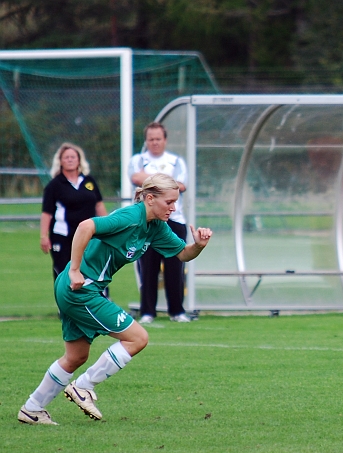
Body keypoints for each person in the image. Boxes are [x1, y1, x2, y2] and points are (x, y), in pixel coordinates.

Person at [18, 174, 213, 425]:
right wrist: (76, 270)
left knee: (76, 356)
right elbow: (85, 227)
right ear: (150, 199)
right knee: (138, 337)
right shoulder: (131, 217)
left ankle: (32, 408)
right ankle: (83, 386)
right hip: (80, 288)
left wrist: (198, 245)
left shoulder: (156, 227)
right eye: (170, 202)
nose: (174, 208)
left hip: (77, 287)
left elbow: (183, 254)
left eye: (176, 202)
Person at [128, 122, 190, 323]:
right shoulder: (138, 160)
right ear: (146, 141)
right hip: (146, 221)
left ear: (165, 140)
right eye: (151, 139)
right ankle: (148, 311)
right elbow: (137, 178)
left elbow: (181, 185)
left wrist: (153, 181)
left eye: (158, 139)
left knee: (174, 267)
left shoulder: (176, 161)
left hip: (173, 220)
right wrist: (164, 181)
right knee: (148, 267)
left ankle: (177, 310)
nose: (154, 143)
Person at [40, 143, 107, 279]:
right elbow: (47, 213)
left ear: (79, 160)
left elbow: (99, 205)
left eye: (73, 157)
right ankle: (66, 299)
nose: (70, 160)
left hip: (88, 234)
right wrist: (43, 236)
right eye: (66, 157)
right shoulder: (55, 185)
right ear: (60, 161)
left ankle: (96, 298)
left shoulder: (89, 181)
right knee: (65, 271)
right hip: (63, 235)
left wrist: (107, 227)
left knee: (91, 270)